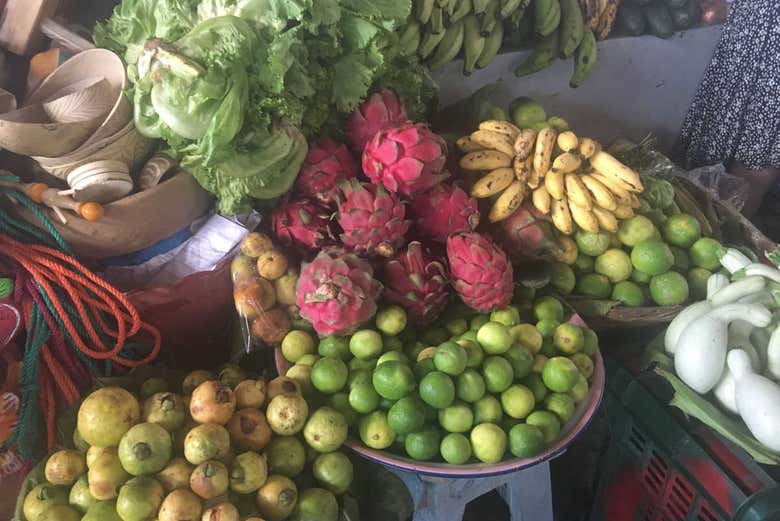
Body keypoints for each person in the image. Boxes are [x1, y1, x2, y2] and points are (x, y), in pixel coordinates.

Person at [674, 0, 780, 217]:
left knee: (758, 158)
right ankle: (706, 225)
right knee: (716, 133)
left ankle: (730, 233)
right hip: (750, 27)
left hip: (766, 38)